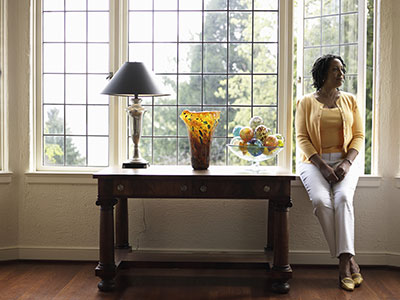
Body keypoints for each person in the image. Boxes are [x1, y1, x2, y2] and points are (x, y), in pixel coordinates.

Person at [295, 54, 365, 291]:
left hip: (345, 161)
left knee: (343, 198)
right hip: (313, 163)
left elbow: (358, 136)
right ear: (323, 73)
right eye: (336, 70)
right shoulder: (305, 102)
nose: (341, 74)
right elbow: (302, 138)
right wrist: (323, 166)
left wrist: (346, 163)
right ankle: (349, 258)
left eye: (342, 70)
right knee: (320, 201)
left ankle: (343, 264)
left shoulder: (350, 100)